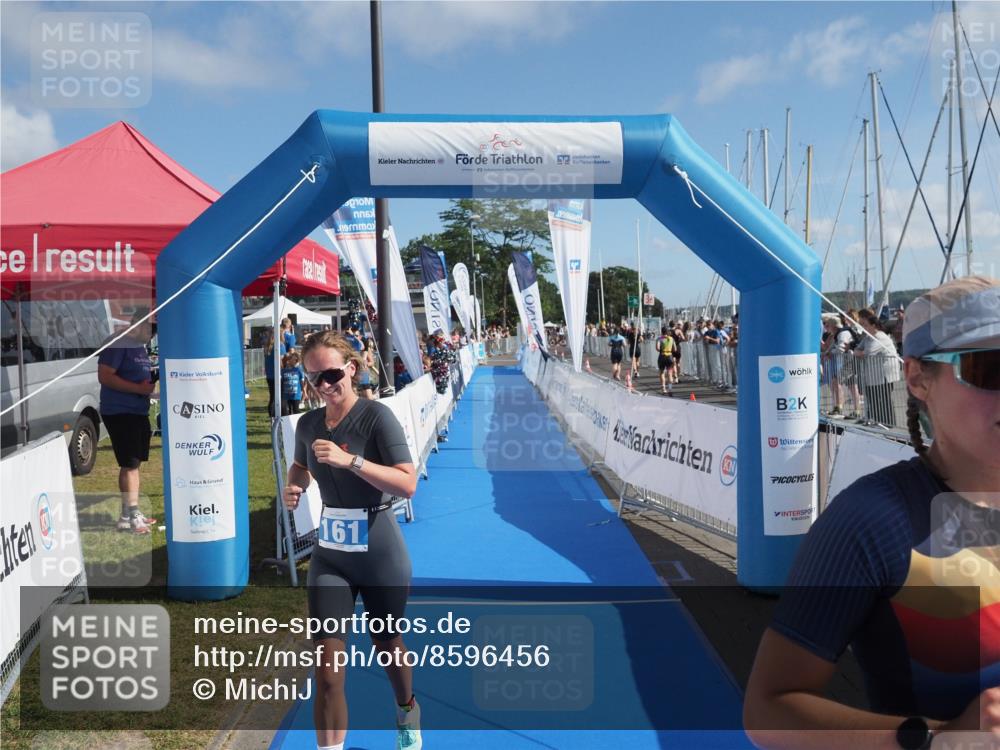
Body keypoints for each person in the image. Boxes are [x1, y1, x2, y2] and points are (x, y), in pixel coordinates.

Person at [744, 276, 1000, 750]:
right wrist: (941, 738)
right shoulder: (872, 521)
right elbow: (769, 707)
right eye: (990, 369)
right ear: (918, 378)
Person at [283, 331, 421, 750]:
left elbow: (408, 483)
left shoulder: (377, 418)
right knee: (326, 670)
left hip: (379, 551)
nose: (323, 385)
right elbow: (300, 465)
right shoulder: (307, 424)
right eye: (313, 378)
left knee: (388, 646)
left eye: (330, 374)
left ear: (351, 369)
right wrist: (295, 487)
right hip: (331, 558)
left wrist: (352, 461)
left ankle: (407, 709)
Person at [97, 308, 158, 535]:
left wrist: (149, 387)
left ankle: (128, 513)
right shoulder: (118, 343)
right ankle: (131, 514)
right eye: (151, 331)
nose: (151, 337)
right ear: (139, 324)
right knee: (130, 464)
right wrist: (138, 389)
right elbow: (105, 376)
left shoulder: (139, 347)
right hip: (120, 411)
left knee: (135, 463)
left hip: (137, 410)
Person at [854, 308, 901, 427]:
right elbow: (858, 349)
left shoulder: (880, 337)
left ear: (873, 325)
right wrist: (859, 352)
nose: (863, 327)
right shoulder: (868, 337)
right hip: (873, 375)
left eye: (865, 325)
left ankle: (889, 423)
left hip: (884, 375)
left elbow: (868, 352)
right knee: (873, 398)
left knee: (884, 399)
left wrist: (859, 353)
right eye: (862, 325)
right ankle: (876, 420)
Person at [263, 329, 288, 418]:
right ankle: (283, 417)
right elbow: (281, 362)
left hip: (269, 375)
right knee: (282, 397)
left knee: (272, 397)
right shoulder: (280, 345)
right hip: (278, 375)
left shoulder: (267, 347)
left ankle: (272, 418)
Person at [280, 351, 305, 415]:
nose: (294, 361)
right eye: (293, 359)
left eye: (296, 360)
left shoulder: (298, 370)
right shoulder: (283, 371)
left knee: (296, 411)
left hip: (296, 395)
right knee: (288, 412)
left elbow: (302, 381)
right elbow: (281, 382)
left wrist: (304, 392)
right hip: (286, 395)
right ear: (289, 360)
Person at [655, 325, 676, 396]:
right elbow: (675, 349)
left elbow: (657, 348)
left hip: (662, 356)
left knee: (662, 372)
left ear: (662, 331)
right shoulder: (671, 339)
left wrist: (662, 348)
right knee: (670, 373)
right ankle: (670, 389)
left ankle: (664, 389)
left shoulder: (659, 339)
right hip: (670, 357)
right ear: (668, 332)